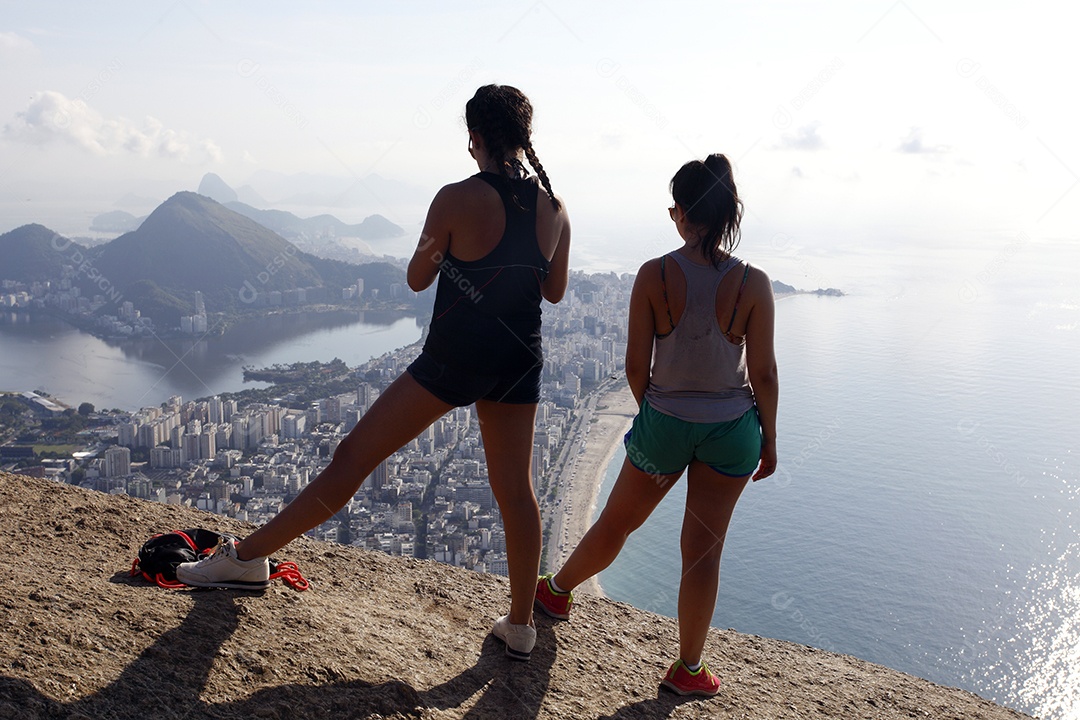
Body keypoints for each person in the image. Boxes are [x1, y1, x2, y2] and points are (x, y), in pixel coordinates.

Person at [178, 84, 571, 662]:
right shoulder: (555, 209)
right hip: (517, 361)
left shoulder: (455, 198)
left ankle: (247, 558)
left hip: (454, 359)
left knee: (353, 458)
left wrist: (454, 249)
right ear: (525, 137)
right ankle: (520, 625)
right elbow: (554, 291)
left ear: (474, 139)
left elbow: (417, 277)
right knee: (517, 492)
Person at [534, 154, 777, 695]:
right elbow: (763, 373)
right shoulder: (754, 283)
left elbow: (633, 366)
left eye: (674, 209)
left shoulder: (654, 275)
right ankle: (689, 669)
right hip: (732, 431)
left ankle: (556, 592)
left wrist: (656, 414)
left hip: (664, 421)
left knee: (617, 523)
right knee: (703, 551)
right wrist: (771, 440)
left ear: (683, 213)